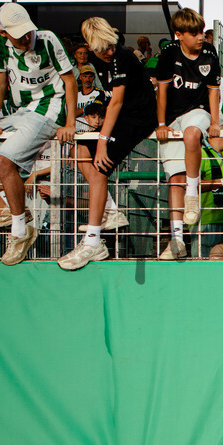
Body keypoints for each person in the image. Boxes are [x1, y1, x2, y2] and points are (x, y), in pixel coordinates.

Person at [57, 16, 158, 270]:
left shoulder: (122, 56)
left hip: (140, 117)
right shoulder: (95, 61)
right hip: (123, 115)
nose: (110, 51)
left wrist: (103, 141)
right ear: (90, 48)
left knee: (101, 167)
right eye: (104, 49)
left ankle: (93, 241)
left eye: (112, 46)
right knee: (80, 150)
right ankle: (110, 209)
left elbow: (117, 101)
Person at [0, 3, 78, 265]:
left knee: (3, 160)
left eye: (27, 31)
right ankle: (14, 204)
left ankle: (19, 230)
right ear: (2, 32)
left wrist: (70, 122)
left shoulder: (47, 39)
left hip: (49, 108)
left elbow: (70, 80)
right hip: (20, 110)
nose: (25, 37)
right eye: (17, 33)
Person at [153, 8, 223, 260]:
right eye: (194, 33)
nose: (200, 37)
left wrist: (215, 121)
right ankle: (177, 240)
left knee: (193, 133)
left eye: (202, 32)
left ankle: (192, 194)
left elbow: (214, 91)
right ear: (179, 35)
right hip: (171, 118)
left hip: (199, 111)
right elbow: (161, 91)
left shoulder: (209, 53)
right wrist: (161, 123)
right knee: (174, 179)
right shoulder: (168, 54)